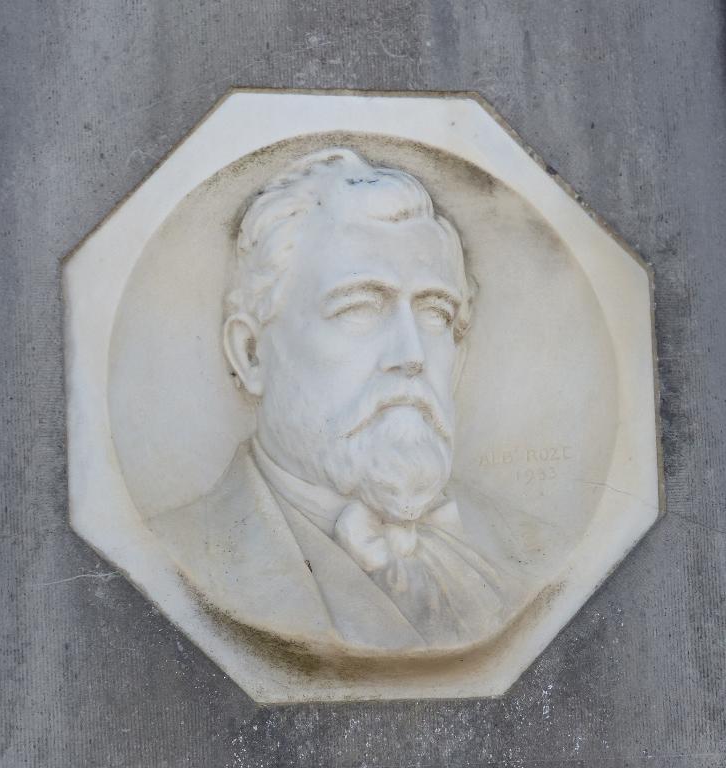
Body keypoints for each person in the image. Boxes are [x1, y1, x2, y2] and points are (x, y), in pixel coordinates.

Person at [150, 148, 522, 656]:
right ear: (252, 354)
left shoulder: (527, 546)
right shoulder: (168, 556)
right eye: (360, 307)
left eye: (435, 313)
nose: (411, 356)